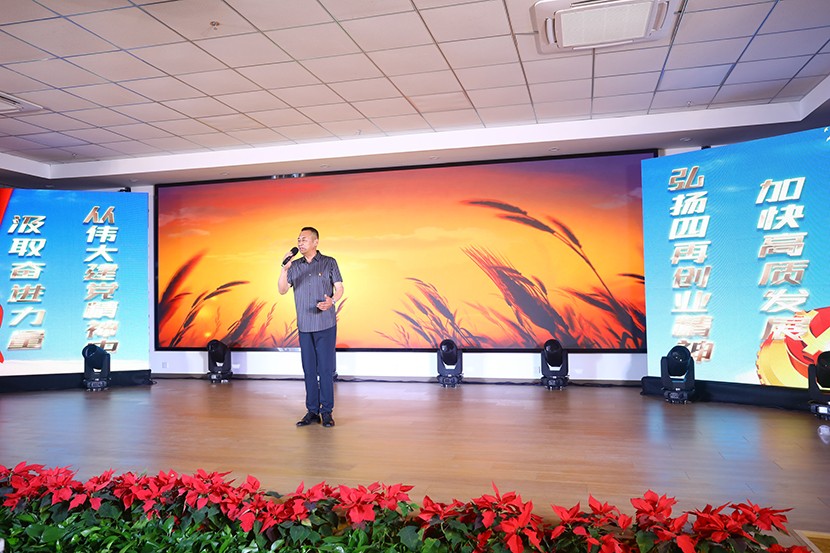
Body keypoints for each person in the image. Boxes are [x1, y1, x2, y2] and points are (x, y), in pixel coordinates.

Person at [278, 227, 344, 428]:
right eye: (299, 240)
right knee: (308, 369)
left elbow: (340, 288)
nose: (300, 243)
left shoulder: (329, 262)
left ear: (315, 242)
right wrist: (284, 270)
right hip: (305, 325)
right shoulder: (294, 266)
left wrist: (332, 301)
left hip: (325, 323)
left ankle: (327, 411)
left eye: (304, 239)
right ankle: (312, 411)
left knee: (325, 369)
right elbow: (282, 290)